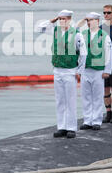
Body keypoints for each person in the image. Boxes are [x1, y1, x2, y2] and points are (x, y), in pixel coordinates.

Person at [37, 10, 87, 139]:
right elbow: (39, 28)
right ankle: (62, 126)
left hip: (70, 70)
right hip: (57, 70)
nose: (62, 21)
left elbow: (83, 53)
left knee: (70, 100)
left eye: (64, 19)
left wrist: (79, 71)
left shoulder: (76, 34)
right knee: (60, 100)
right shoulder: (55, 31)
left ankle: (71, 128)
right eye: (60, 19)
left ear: (69, 20)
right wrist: (52, 20)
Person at [78, 12, 112, 131]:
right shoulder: (82, 34)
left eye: (91, 20)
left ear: (97, 21)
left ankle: (96, 120)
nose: (88, 23)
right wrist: (79, 69)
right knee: (86, 96)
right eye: (87, 21)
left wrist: (107, 70)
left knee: (97, 96)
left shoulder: (104, 35)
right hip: (85, 69)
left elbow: (108, 54)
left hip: (98, 70)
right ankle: (87, 120)